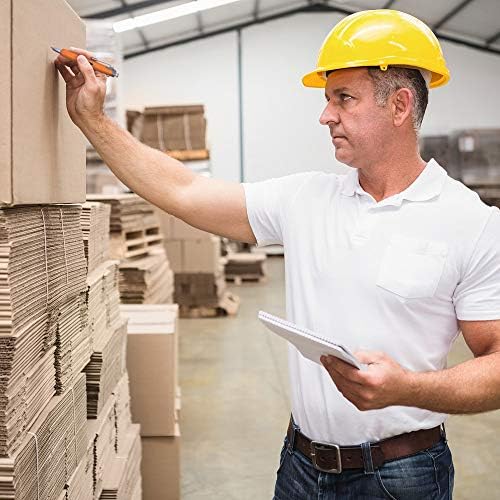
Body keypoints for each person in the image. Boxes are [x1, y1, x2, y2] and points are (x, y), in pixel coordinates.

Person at [56, 9, 500, 499]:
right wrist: (92, 119)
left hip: (401, 476)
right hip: (301, 466)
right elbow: (183, 192)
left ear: (399, 105)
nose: (325, 115)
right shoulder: (307, 200)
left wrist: (410, 389)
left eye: (343, 99)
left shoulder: (470, 223)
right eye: (328, 99)